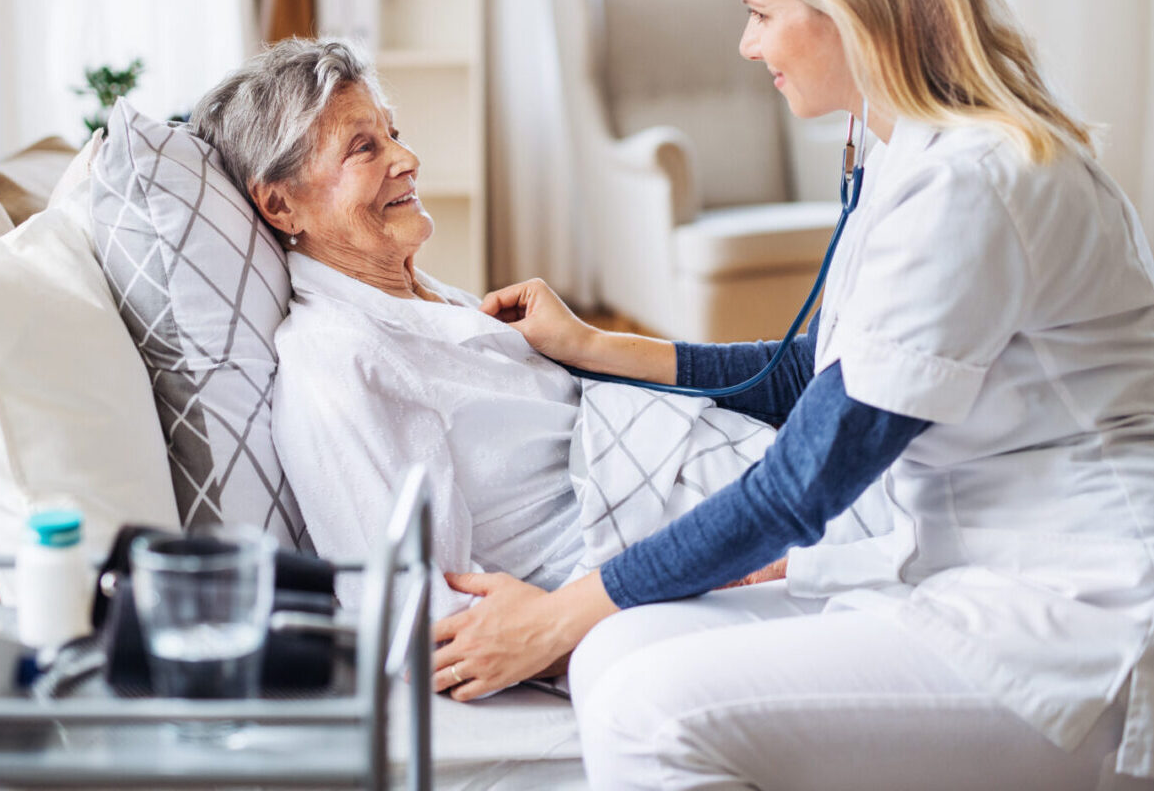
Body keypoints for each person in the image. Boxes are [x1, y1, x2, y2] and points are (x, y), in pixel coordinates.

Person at [430, 0, 1154, 789]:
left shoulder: (975, 181)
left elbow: (799, 490)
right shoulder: (907, 150)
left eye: (760, 13)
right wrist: (593, 346)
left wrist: (560, 608)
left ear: (850, 5)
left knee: (645, 710)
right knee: (616, 651)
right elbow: (809, 374)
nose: (747, 44)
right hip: (982, 571)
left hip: (1097, 619)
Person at [191, 39, 881, 621]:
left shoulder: (431, 303)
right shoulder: (337, 363)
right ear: (280, 204)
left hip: (752, 483)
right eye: (363, 148)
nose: (407, 160)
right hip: (704, 546)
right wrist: (552, 631)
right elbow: (409, 608)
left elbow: (796, 371)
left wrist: (585, 349)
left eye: (393, 133)